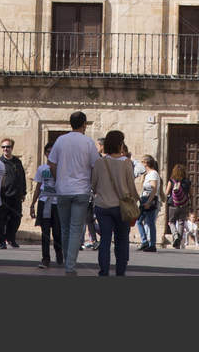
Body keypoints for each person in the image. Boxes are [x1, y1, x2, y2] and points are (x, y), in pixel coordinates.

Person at [46, 112, 99, 275]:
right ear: (84, 124)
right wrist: (93, 185)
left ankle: (66, 261)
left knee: (65, 228)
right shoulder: (88, 142)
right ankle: (70, 265)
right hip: (81, 190)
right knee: (76, 228)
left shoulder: (61, 140)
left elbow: (51, 163)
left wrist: (58, 179)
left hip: (63, 190)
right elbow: (95, 166)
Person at [91, 131, 139, 277]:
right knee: (122, 240)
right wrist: (136, 200)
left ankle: (103, 271)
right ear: (120, 144)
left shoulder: (100, 162)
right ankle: (120, 271)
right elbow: (131, 185)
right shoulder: (126, 162)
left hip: (102, 206)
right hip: (121, 207)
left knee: (104, 240)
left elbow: (93, 184)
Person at [32, 145, 62, 270]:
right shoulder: (41, 168)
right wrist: (32, 203)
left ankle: (59, 252)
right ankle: (45, 258)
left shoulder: (61, 168)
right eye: (48, 152)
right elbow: (39, 186)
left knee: (57, 231)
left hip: (57, 203)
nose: (50, 154)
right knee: (45, 232)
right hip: (45, 201)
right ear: (45, 153)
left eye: (53, 152)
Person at [0, 138, 27, 249]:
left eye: (8, 147)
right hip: (3, 196)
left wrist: (23, 192)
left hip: (16, 196)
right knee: (1, 219)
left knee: (16, 218)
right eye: (3, 147)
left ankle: (11, 238)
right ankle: (1, 240)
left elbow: (22, 177)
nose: (6, 149)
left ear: (12, 148)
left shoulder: (17, 162)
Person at [136, 155, 161, 251]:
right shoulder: (148, 174)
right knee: (138, 221)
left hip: (149, 199)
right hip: (144, 198)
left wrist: (149, 202)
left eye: (142, 162)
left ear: (146, 163)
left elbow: (154, 189)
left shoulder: (153, 173)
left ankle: (152, 244)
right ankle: (144, 241)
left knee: (150, 222)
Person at [165, 164, 192, 248]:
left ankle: (175, 235)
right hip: (184, 205)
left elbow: (166, 192)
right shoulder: (187, 182)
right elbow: (191, 194)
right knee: (181, 222)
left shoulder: (171, 181)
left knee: (171, 222)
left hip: (173, 204)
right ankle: (178, 242)